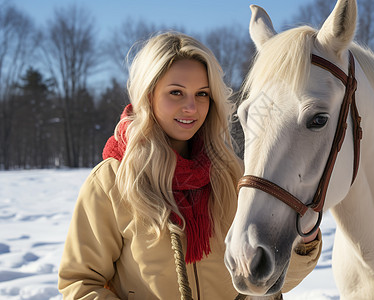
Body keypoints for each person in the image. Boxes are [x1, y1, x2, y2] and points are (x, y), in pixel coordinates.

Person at [58, 31, 322, 299]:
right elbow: (80, 283)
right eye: (176, 93)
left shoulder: (235, 176)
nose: (191, 107)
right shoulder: (113, 181)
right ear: (148, 95)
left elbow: (267, 280)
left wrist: (304, 243)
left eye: (202, 94)